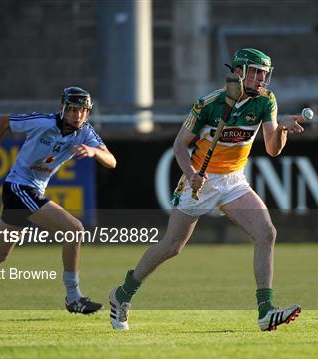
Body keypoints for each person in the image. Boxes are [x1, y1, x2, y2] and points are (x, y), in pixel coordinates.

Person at [109, 48, 306, 331]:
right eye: (256, 71)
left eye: (265, 73)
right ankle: (122, 294)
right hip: (200, 180)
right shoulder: (209, 104)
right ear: (239, 72)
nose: (262, 78)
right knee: (172, 246)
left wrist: (282, 130)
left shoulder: (266, 101)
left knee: (266, 233)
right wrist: (191, 175)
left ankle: (265, 311)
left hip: (233, 180)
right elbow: (179, 146)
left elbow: (273, 149)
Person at [0, 86, 116, 319]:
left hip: (31, 191)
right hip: (19, 188)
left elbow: (111, 160)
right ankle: (73, 297)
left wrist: (94, 152)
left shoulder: (85, 133)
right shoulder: (42, 122)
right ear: (63, 108)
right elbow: (0, 122)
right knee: (74, 229)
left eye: (83, 110)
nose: (78, 115)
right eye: (73, 109)